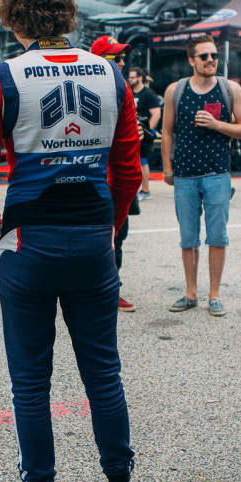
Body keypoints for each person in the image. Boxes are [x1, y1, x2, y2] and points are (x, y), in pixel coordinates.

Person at [0, 0, 144, 482]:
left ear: (12, 16)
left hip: (28, 242)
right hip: (92, 238)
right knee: (104, 374)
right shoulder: (112, 76)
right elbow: (129, 171)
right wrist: (110, 229)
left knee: (29, 380)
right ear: (68, 12)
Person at [160, 35, 241, 317]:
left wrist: (217, 124)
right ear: (192, 61)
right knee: (188, 238)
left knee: (217, 237)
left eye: (213, 55)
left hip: (217, 174)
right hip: (185, 176)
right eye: (204, 56)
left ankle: (214, 295)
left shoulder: (230, 89)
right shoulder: (175, 90)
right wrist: (167, 168)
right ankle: (190, 293)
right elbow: (166, 131)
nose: (211, 60)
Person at [91, 37, 140, 312]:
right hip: (98, 181)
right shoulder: (97, 89)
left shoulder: (122, 88)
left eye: (123, 57)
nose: (122, 63)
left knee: (118, 239)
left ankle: (112, 289)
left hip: (119, 180)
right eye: (115, 57)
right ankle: (99, 291)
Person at [127, 65, 162, 200]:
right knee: (133, 162)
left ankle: (146, 191)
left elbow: (156, 114)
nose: (130, 79)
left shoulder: (149, 94)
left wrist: (148, 132)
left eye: (133, 77)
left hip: (143, 133)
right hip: (131, 132)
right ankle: (135, 190)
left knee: (143, 161)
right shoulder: (129, 91)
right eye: (129, 77)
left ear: (140, 78)